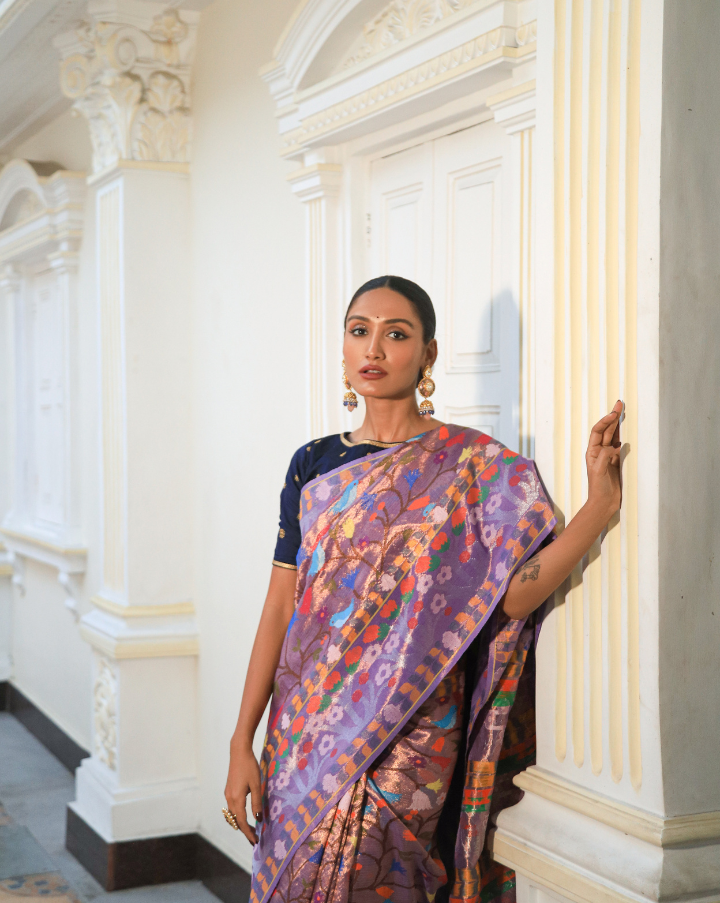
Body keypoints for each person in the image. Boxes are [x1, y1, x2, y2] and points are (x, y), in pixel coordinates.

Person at [224, 276, 624, 903]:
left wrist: (598, 506)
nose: (374, 349)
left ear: (428, 355)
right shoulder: (312, 464)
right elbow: (279, 608)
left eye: (396, 334)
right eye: (360, 331)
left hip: (410, 732)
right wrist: (240, 741)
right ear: (344, 347)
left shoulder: (476, 469)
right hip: (303, 731)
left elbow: (513, 599)